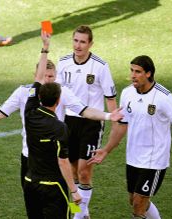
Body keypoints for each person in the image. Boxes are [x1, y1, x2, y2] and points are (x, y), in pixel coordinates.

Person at [0, 31, 123, 189]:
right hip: (29, 158)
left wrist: (108, 115)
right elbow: (0, 112)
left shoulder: (62, 92)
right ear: (36, 77)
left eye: (51, 77)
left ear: (56, 77)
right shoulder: (23, 93)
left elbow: (85, 111)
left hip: (53, 159)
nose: (48, 80)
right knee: (33, 204)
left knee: (61, 200)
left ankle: (80, 213)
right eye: (44, 76)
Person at [88, 55, 172, 219]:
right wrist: (106, 150)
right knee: (134, 200)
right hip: (133, 157)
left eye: (138, 72)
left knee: (138, 206)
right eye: (131, 70)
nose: (133, 75)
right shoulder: (127, 93)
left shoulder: (163, 97)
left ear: (148, 74)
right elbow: (122, 126)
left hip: (154, 160)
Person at [56, 25, 118, 219]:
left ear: (90, 43)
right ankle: (81, 211)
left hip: (92, 123)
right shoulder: (63, 63)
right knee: (72, 174)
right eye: (76, 40)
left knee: (84, 172)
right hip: (68, 122)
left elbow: (110, 98)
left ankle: (77, 215)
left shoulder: (100, 66)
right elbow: (57, 95)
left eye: (83, 42)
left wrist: (115, 128)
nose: (78, 45)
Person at [24, 80, 81, 218]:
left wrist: (44, 56)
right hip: (53, 186)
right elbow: (63, 161)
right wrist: (74, 191)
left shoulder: (29, 114)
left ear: (39, 98)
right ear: (58, 100)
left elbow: (36, 83)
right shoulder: (59, 127)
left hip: (30, 182)